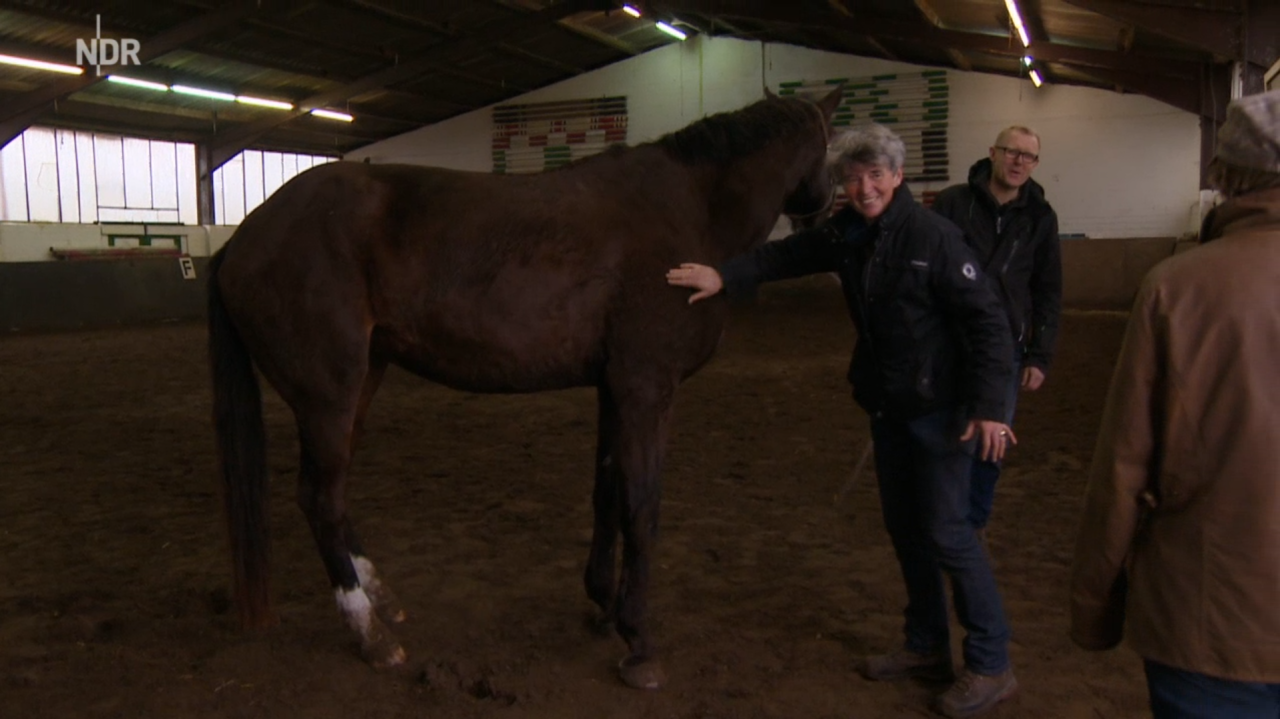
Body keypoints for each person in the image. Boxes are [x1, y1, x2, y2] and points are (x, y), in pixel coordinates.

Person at [667, 124, 1019, 718]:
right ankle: (925, 645)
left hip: (943, 413)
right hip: (891, 407)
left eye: (875, 175)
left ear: (898, 176)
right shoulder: (848, 233)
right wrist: (726, 274)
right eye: (853, 179)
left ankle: (990, 663)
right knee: (907, 532)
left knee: (949, 534)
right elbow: (790, 254)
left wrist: (988, 408)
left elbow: (988, 324)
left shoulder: (933, 237)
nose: (864, 188)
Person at [1070, 88, 1280, 718]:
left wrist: (1094, 604)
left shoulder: (1177, 288)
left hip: (1212, 620)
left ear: (1225, 178)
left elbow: (1124, 467)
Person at [931, 126, 1062, 535]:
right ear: (993, 153)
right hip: (949, 340)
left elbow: (1047, 288)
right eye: (1011, 152)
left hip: (1006, 348)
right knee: (944, 428)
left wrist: (1039, 354)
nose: (1019, 161)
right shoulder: (953, 203)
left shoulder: (1041, 217)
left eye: (1029, 156)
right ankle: (941, 511)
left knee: (993, 437)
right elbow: (929, 267)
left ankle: (972, 521)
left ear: (1036, 164)